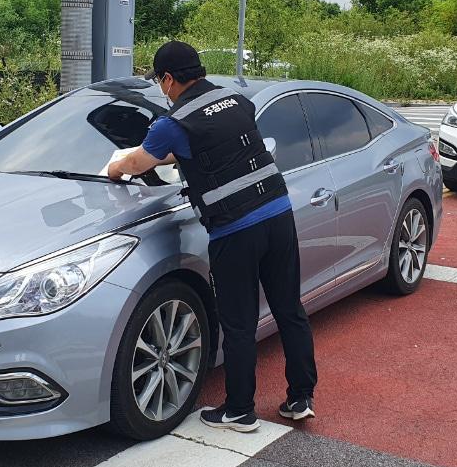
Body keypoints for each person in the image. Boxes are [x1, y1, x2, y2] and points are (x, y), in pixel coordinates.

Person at [106, 40, 317, 432]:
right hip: (278, 214)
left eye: (160, 81)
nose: (161, 89)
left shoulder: (173, 123)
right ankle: (301, 397)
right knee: (289, 308)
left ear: (168, 79)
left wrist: (116, 170)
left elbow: (140, 162)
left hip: (236, 229)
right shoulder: (237, 102)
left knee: (238, 323)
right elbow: (211, 146)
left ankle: (239, 410)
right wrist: (170, 153)